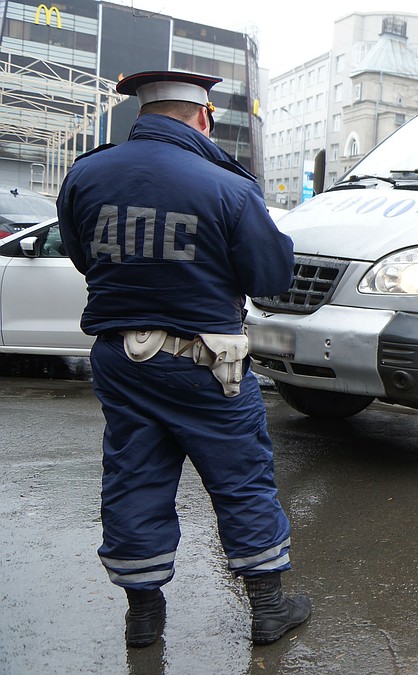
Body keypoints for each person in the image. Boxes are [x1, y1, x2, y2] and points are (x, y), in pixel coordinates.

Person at [57, 71, 310, 648]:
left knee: (133, 475)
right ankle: (268, 609)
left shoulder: (86, 175)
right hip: (206, 365)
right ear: (203, 117)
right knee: (242, 478)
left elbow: (83, 257)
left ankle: (143, 616)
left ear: (140, 116)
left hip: (121, 359)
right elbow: (272, 278)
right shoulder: (226, 185)